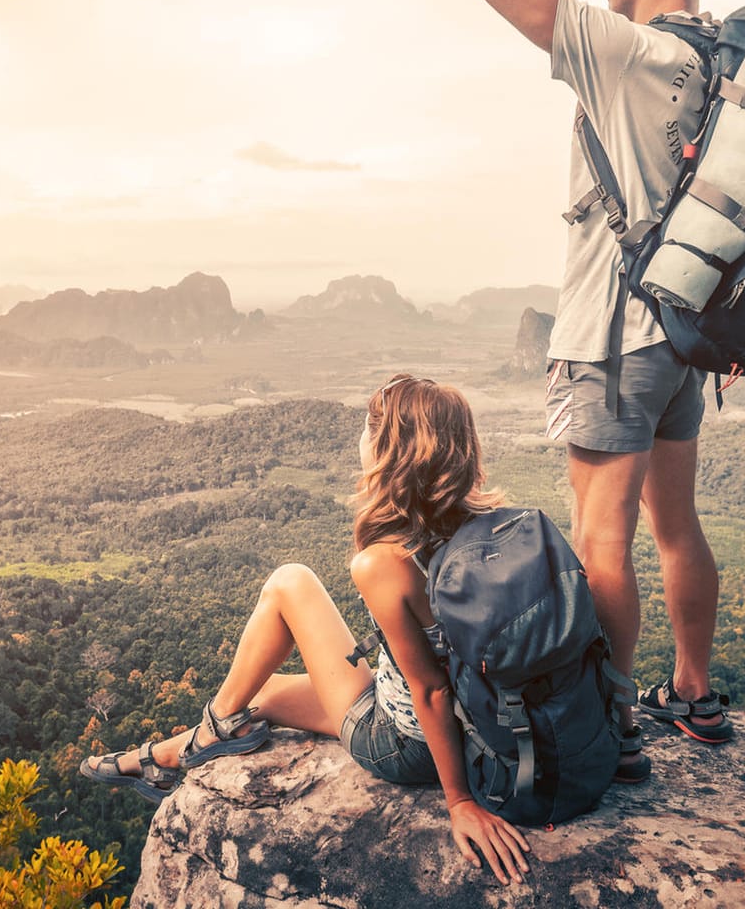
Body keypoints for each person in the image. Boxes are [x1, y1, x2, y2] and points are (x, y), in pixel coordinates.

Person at [465, 0, 736, 780]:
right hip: (681, 333)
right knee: (677, 525)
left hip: (614, 337)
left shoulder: (626, 52)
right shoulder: (717, 62)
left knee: (602, 537)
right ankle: (692, 692)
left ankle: (610, 727)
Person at [81, 374, 533, 886]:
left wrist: (459, 802)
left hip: (407, 743)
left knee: (289, 583)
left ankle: (202, 733)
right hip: (481, 727)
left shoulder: (383, 561)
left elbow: (430, 689)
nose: (360, 441)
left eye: (368, 431)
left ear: (388, 451)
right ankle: (170, 754)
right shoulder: (493, 525)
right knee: (263, 693)